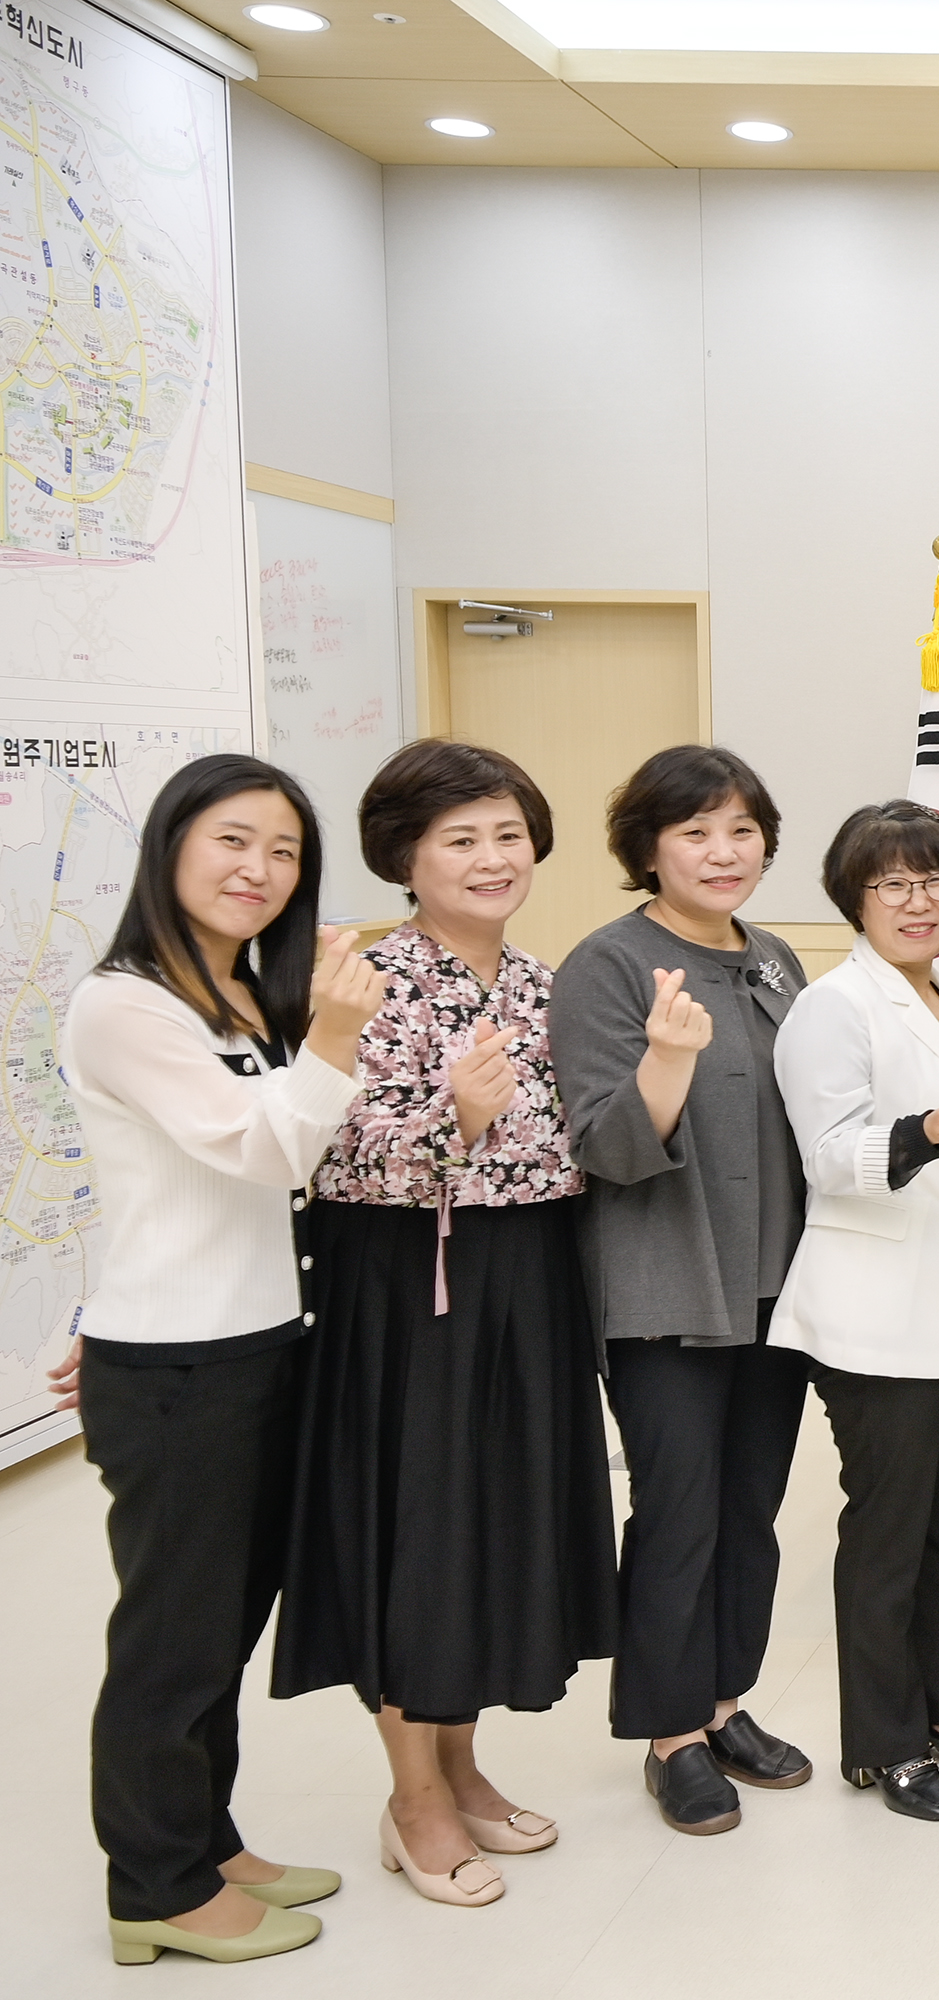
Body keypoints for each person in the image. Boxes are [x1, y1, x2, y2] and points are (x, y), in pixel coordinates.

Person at [271, 741, 618, 1906]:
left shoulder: (543, 980)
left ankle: (462, 1765)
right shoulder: (366, 979)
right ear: (405, 856)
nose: (492, 857)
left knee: (497, 1520)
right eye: (460, 838)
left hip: (530, 1275)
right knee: (419, 1529)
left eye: (508, 834)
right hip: (408, 1285)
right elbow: (328, 1156)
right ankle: (412, 1794)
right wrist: (454, 1123)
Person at [55, 755, 384, 1965]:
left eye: (285, 851)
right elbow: (263, 1149)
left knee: (225, 1624)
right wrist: (336, 1035)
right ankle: (153, 1883)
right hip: (178, 1365)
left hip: (254, 1346)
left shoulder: (240, 990)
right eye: (234, 840)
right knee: (174, 1634)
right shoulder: (125, 1003)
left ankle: (207, 1838)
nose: (260, 869)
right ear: (172, 845)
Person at [550, 746, 816, 1836]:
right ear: (648, 848)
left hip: (776, 1283)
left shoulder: (776, 958)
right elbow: (603, 1147)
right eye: (696, 831)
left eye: (743, 829)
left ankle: (723, 1703)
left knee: (752, 1507)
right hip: (666, 1285)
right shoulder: (608, 965)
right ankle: (670, 1736)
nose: (723, 851)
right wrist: (664, 1059)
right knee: (679, 1508)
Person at [771, 801, 939, 1820]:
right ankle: (884, 1742)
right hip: (874, 1309)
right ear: (856, 898)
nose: (917, 901)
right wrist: (924, 1133)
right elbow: (829, 1156)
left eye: (935, 881)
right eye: (892, 884)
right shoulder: (832, 1006)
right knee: (887, 1530)